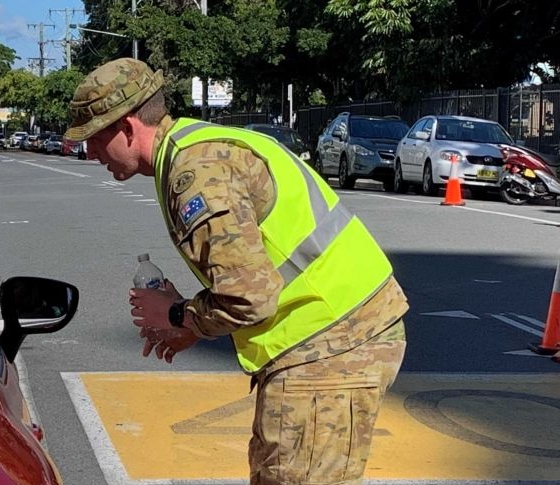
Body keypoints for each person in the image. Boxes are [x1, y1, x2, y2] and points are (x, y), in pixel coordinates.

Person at [65, 58, 408, 485]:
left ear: (129, 127)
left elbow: (251, 296)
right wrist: (193, 325)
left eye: (94, 139)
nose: (89, 153)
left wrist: (177, 315)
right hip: (334, 335)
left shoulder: (196, 174)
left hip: (331, 343)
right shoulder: (195, 146)